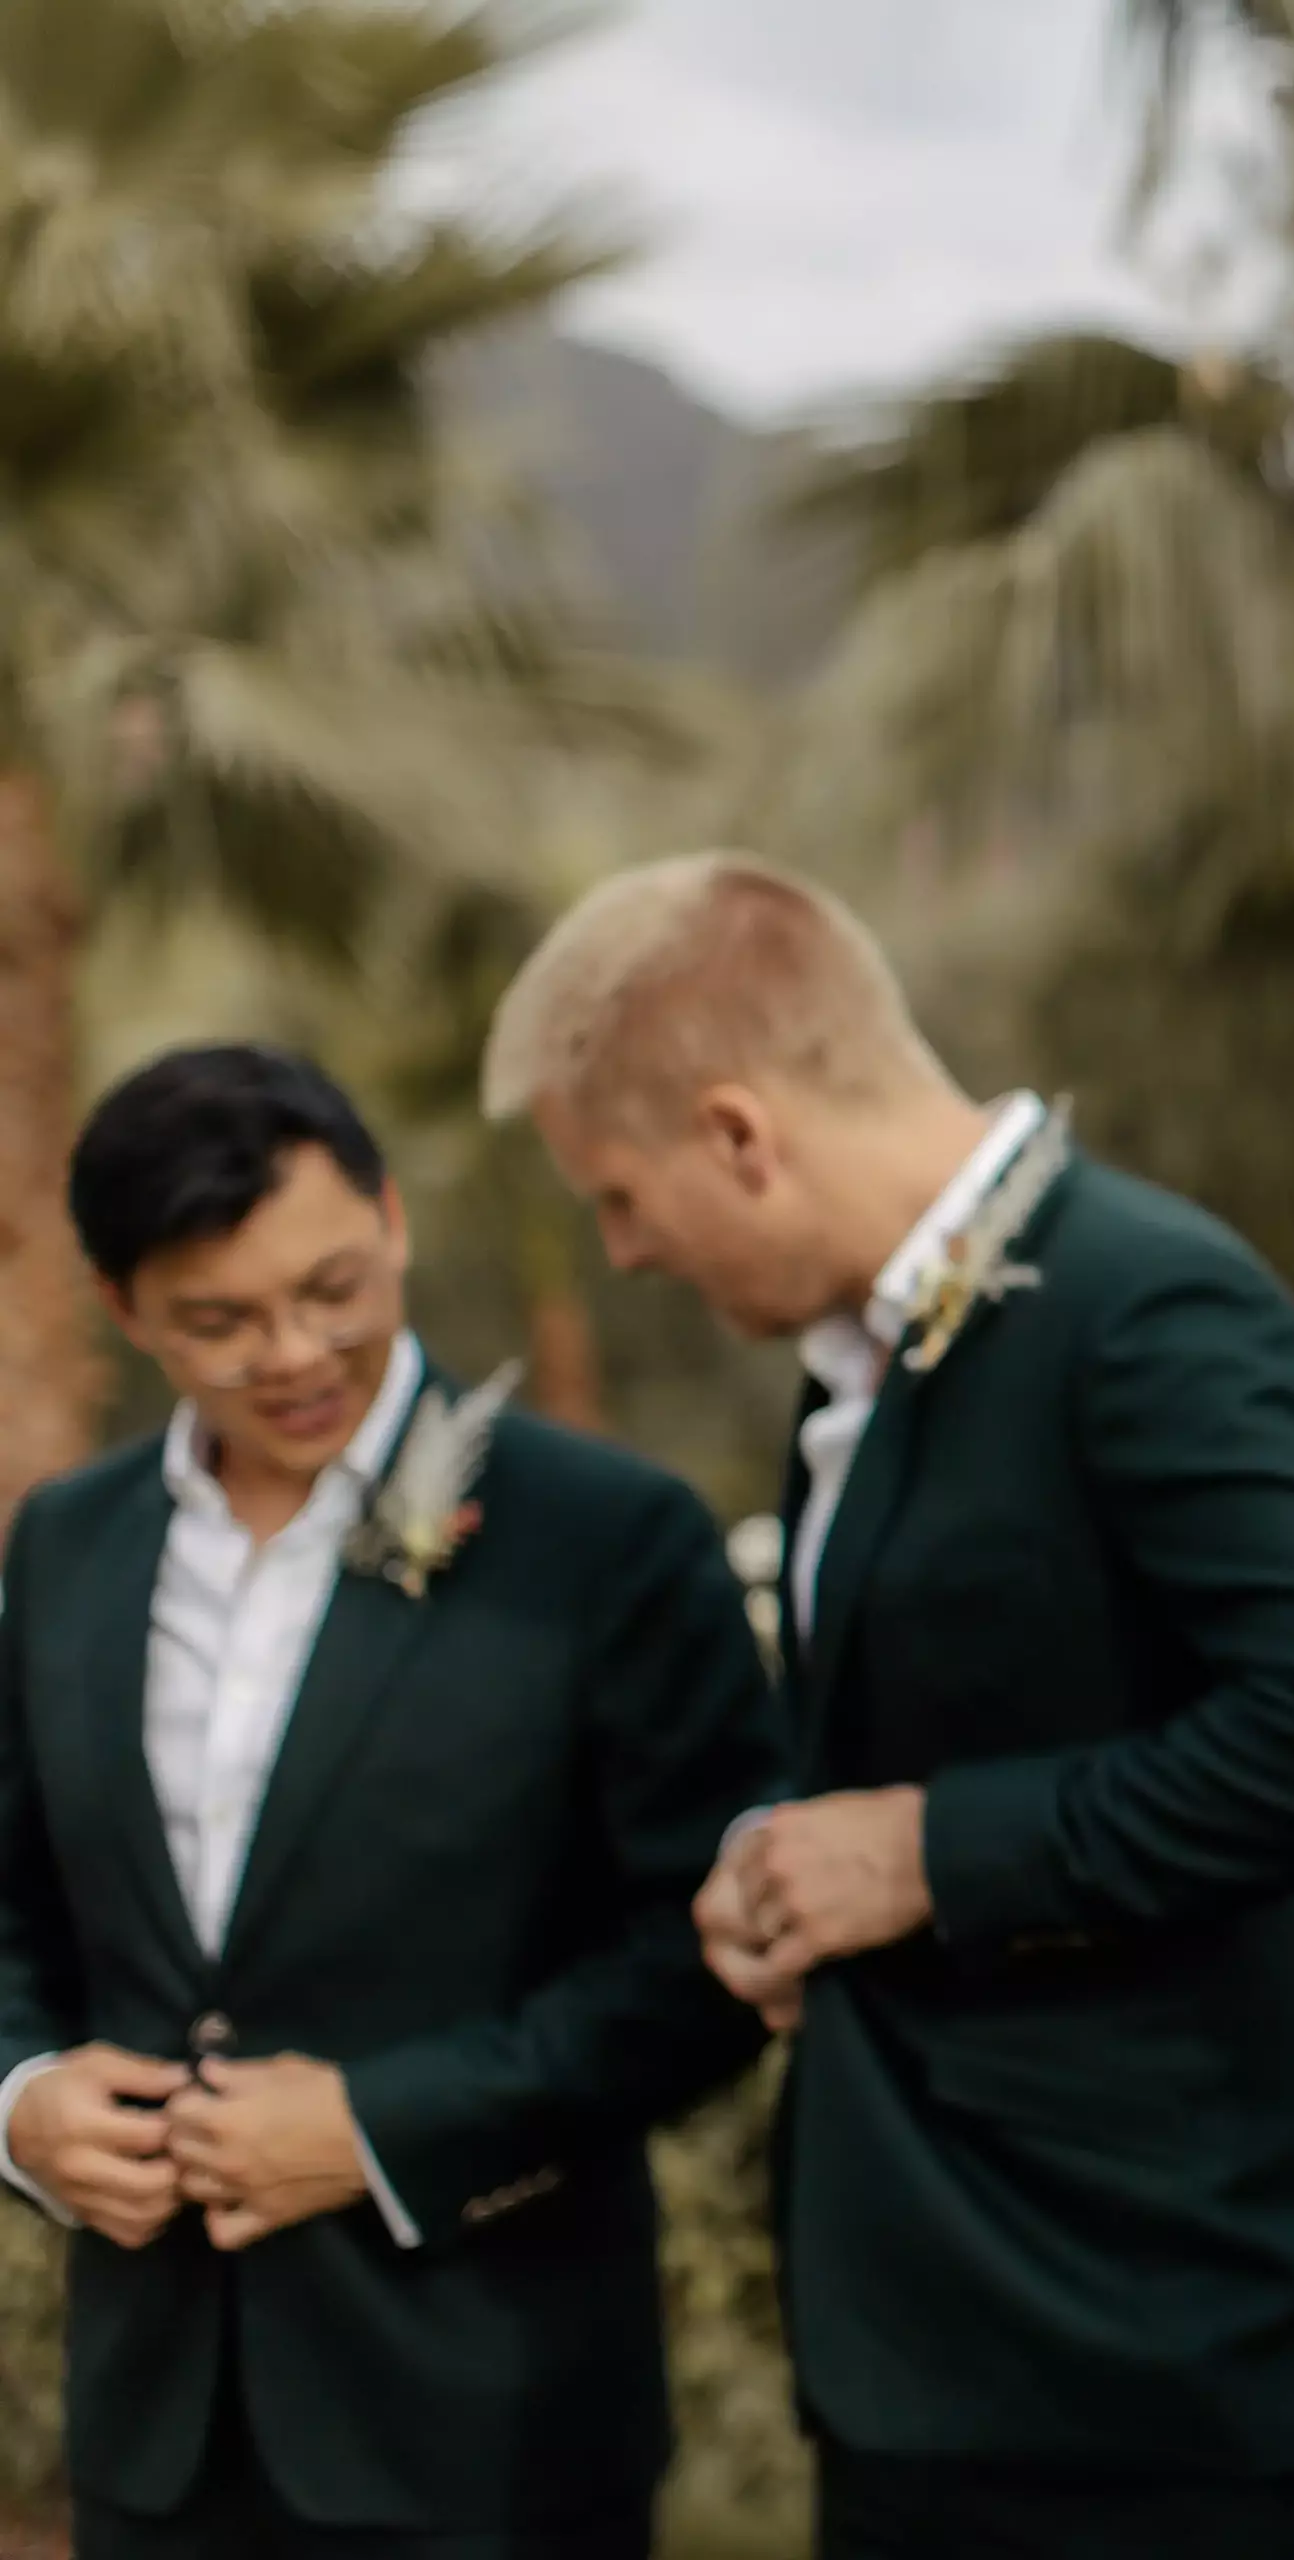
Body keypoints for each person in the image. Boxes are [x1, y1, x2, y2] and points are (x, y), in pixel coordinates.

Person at [481, 853, 1294, 2560]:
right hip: (939, 2360)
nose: (623, 1254)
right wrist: (796, 1868)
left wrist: (931, 1855)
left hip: (1158, 2380)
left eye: (620, 1197)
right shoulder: (855, 1365)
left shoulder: (1147, 1304)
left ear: (739, 1133)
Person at [0, 1044, 783, 2559]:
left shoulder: (605, 1538)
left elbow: (707, 1962)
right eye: (219, 1323)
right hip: (155, 2433)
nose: (296, 1352)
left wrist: (377, 2128)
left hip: (487, 2425)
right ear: (121, 1307)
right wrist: (20, 2098)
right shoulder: (67, 1548)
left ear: (393, 1220)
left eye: (334, 1288)